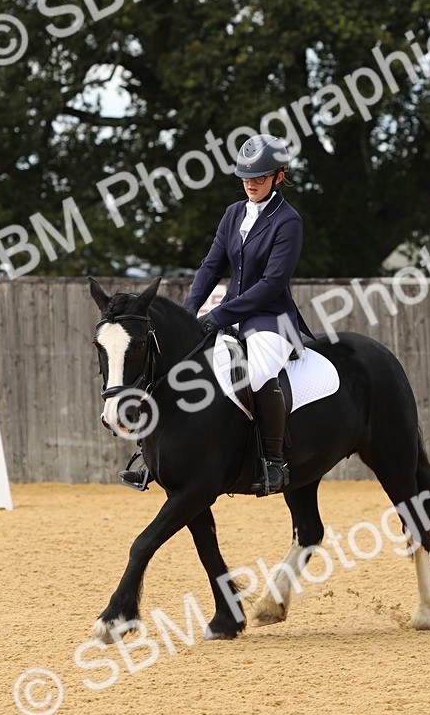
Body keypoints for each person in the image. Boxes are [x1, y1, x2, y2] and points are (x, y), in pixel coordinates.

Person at [120, 134, 311, 496]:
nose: (251, 184)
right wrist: (189, 311)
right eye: (245, 177)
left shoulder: (288, 221)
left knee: (257, 373)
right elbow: (211, 265)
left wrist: (221, 314)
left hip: (270, 319)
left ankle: (272, 462)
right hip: (227, 314)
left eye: (259, 177)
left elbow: (272, 283)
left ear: (279, 176)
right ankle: (155, 457)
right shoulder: (233, 213)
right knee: (183, 365)